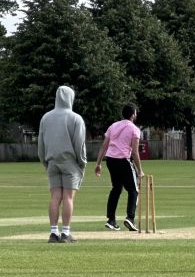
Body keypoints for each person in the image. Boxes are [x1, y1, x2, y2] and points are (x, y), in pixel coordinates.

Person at [38, 85, 87, 243]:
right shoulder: (75, 118)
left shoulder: (45, 118)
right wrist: (82, 162)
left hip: (51, 161)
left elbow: (41, 144)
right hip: (69, 161)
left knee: (55, 197)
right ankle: (65, 233)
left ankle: (53, 232)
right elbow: (79, 144)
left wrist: (45, 161)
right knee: (68, 197)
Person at [94, 103, 144, 231]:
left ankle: (111, 220)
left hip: (110, 160)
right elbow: (134, 152)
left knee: (116, 188)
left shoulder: (113, 126)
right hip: (123, 160)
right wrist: (140, 171)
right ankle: (130, 218)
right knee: (133, 190)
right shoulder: (134, 129)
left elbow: (104, 146)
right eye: (136, 112)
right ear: (133, 115)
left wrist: (98, 163)